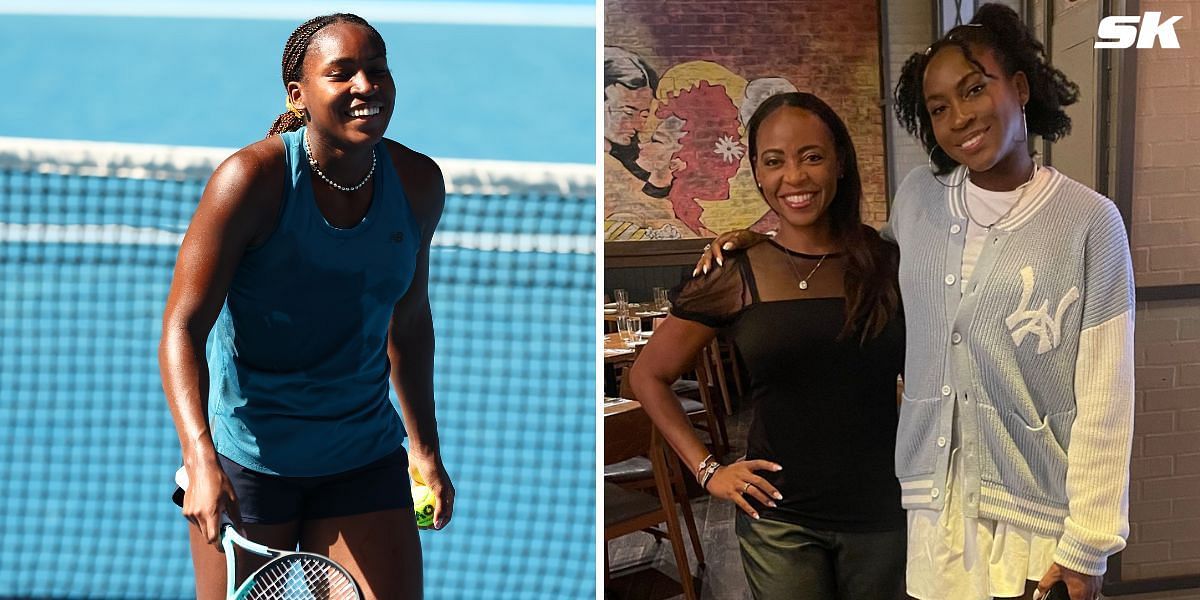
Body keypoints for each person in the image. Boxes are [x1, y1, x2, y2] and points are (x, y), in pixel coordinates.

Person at [701, 6, 1134, 600]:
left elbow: (1108, 399)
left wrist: (1088, 543)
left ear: (1021, 88)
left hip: (1039, 521)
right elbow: (855, 250)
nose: (959, 118)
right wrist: (762, 239)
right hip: (934, 511)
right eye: (937, 108)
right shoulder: (921, 202)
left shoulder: (1090, 221)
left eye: (974, 89)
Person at [159, 13, 454, 600]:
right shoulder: (249, 181)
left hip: (364, 455)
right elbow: (183, 328)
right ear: (298, 94)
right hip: (251, 463)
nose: (365, 86)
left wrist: (424, 448)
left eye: (377, 70)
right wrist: (200, 458)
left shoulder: (417, 183)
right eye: (342, 74)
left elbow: (410, 323)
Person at [630, 91, 907, 599]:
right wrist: (708, 470)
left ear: (840, 163)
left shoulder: (888, 263)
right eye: (774, 161)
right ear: (756, 172)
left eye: (812, 157)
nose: (794, 178)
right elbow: (648, 375)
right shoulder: (735, 271)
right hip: (779, 519)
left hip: (885, 513)